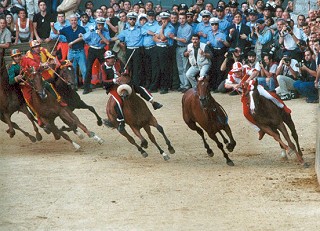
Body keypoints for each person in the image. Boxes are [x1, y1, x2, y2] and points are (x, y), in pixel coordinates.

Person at [101, 51, 162, 132]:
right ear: (106, 60)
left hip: (123, 82)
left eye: (112, 57)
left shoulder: (118, 62)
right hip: (113, 87)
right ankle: (121, 121)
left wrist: (124, 72)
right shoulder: (103, 67)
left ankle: (153, 102)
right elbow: (103, 81)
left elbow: (126, 69)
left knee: (139, 88)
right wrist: (114, 80)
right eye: (109, 58)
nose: (111, 59)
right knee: (118, 101)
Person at [71, 17, 110, 94]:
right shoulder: (92, 30)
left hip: (101, 50)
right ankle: (87, 87)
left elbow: (107, 42)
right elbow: (85, 37)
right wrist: (82, 35)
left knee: (105, 67)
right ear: (96, 24)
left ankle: (108, 85)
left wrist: (100, 34)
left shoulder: (105, 31)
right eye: (99, 25)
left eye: (102, 25)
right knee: (88, 68)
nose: (100, 26)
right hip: (92, 49)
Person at [23, 40, 67, 108]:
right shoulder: (29, 55)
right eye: (35, 47)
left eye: (38, 46)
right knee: (48, 85)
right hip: (34, 74)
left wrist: (52, 61)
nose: (37, 48)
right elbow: (33, 64)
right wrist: (42, 64)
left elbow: (51, 56)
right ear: (32, 48)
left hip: (45, 71)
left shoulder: (43, 50)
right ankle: (58, 100)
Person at [50, 14, 87, 90]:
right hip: (71, 52)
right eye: (72, 20)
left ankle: (86, 86)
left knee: (84, 70)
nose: (73, 22)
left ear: (77, 21)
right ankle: (74, 86)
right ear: (69, 21)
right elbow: (56, 32)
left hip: (80, 51)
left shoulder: (81, 29)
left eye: (75, 20)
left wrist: (72, 43)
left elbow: (83, 38)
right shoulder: (66, 29)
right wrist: (52, 27)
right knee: (71, 69)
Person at [110, 12, 143, 86]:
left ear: (136, 20)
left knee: (137, 68)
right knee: (129, 67)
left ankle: (136, 84)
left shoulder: (140, 29)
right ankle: (130, 83)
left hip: (137, 50)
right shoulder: (125, 30)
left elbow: (147, 33)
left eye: (134, 19)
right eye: (130, 19)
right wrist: (107, 39)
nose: (132, 21)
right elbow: (117, 37)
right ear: (128, 20)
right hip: (129, 50)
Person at [153, 11, 175, 94]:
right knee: (157, 67)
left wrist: (162, 29)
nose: (164, 20)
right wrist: (159, 39)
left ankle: (165, 87)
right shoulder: (158, 26)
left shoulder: (170, 27)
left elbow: (162, 37)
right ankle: (157, 86)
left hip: (166, 49)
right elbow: (154, 37)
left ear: (168, 19)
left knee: (164, 69)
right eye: (163, 19)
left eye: (165, 19)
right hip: (158, 47)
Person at [207, 17, 230, 91]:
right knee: (212, 69)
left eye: (216, 24)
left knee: (219, 69)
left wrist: (222, 41)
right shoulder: (209, 33)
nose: (214, 26)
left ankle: (218, 86)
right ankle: (213, 86)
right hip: (213, 51)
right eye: (212, 24)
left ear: (218, 25)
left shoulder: (222, 34)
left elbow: (228, 45)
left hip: (220, 51)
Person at [173, 13, 192, 92]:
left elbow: (185, 40)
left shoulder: (189, 28)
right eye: (180, 18)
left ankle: (186, 86)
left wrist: (174, 37)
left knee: (185, 68)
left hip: (185, 48)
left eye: (183, 18)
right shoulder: (179, 27)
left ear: (186, 19)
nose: (181, 20)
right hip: (178, 47)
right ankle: (182, 84)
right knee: (180, 68)